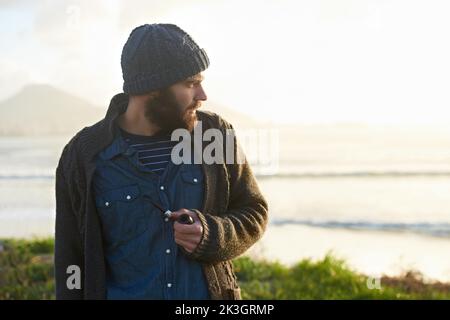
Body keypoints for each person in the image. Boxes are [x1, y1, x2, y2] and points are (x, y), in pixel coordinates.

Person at [54, 23, 268, 300]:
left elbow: (254, 211)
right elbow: (71, 258)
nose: (202, 95)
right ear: (152, 89)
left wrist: (212, 234)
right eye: (191, 83)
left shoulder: (213, 134)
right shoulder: (82, 155)